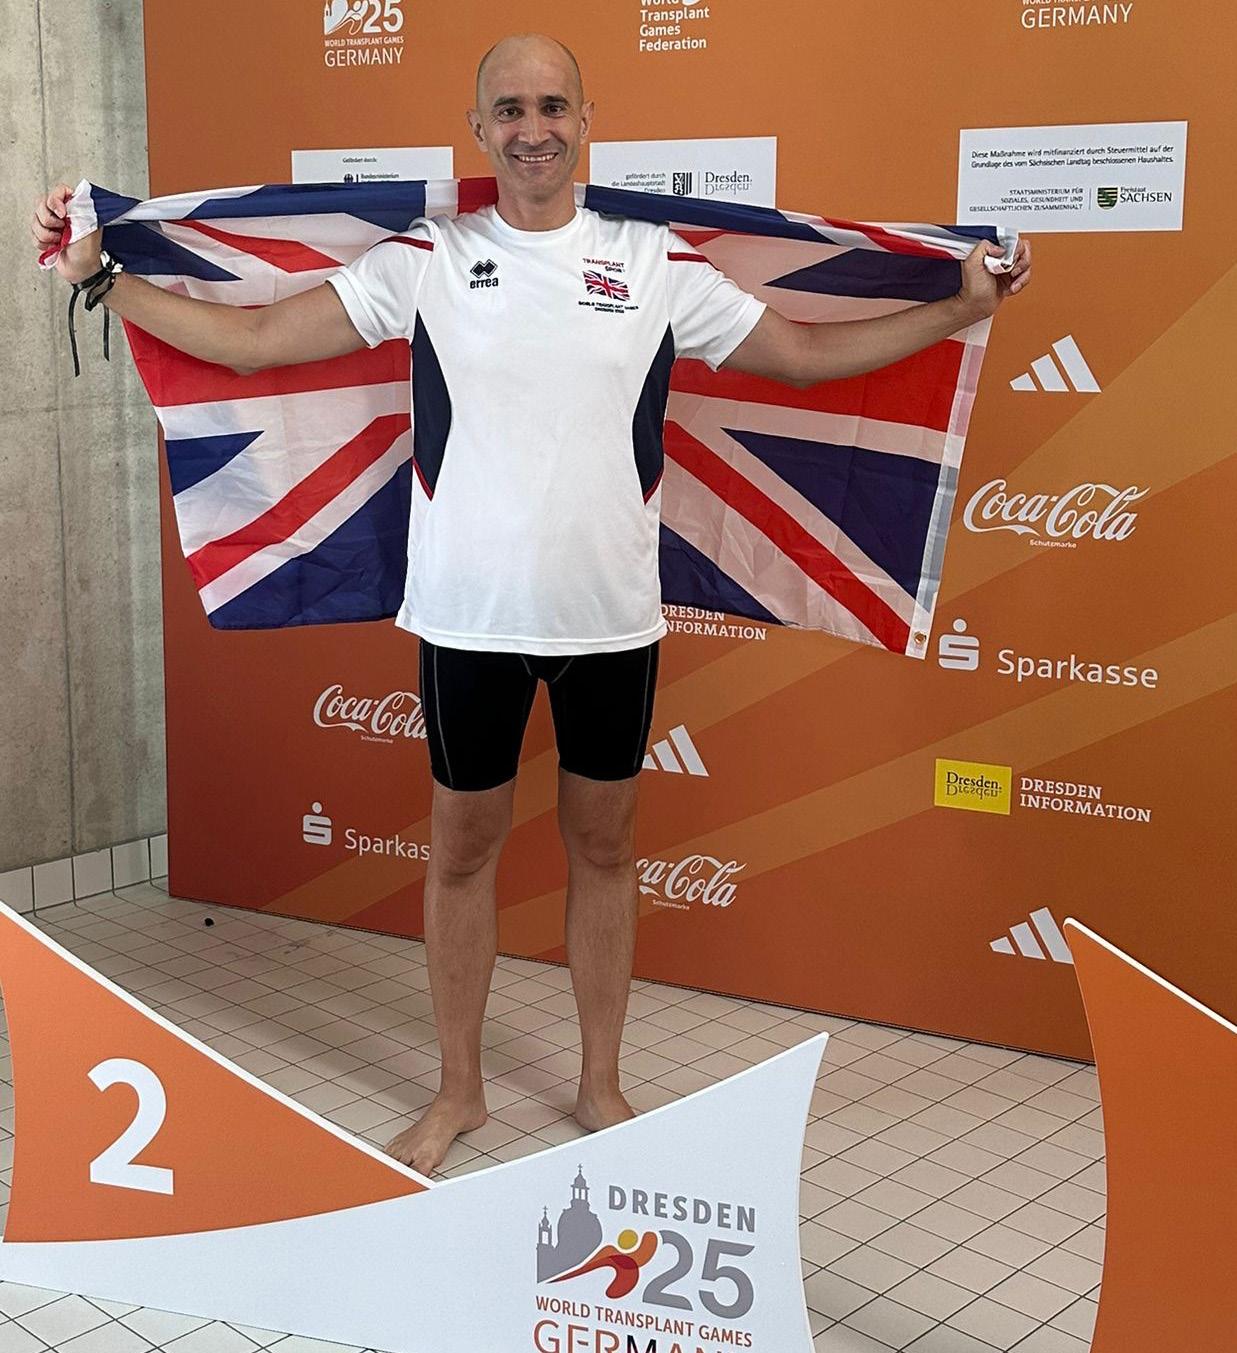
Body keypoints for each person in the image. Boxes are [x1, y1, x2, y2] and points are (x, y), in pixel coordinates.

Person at [32, 33, 1031, 1176]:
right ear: (478, 129)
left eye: (552, 106)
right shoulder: (430, 259)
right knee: (462, 853)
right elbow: (255, 342)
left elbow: (801, 356)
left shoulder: (651, 262)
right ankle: (459, 1092)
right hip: (468, 619)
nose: (532, 128)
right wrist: (102, 279)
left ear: (586, 120)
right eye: (508, 109)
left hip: (611, 619)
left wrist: (960, 309)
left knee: (605, 847)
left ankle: (600, 1086)